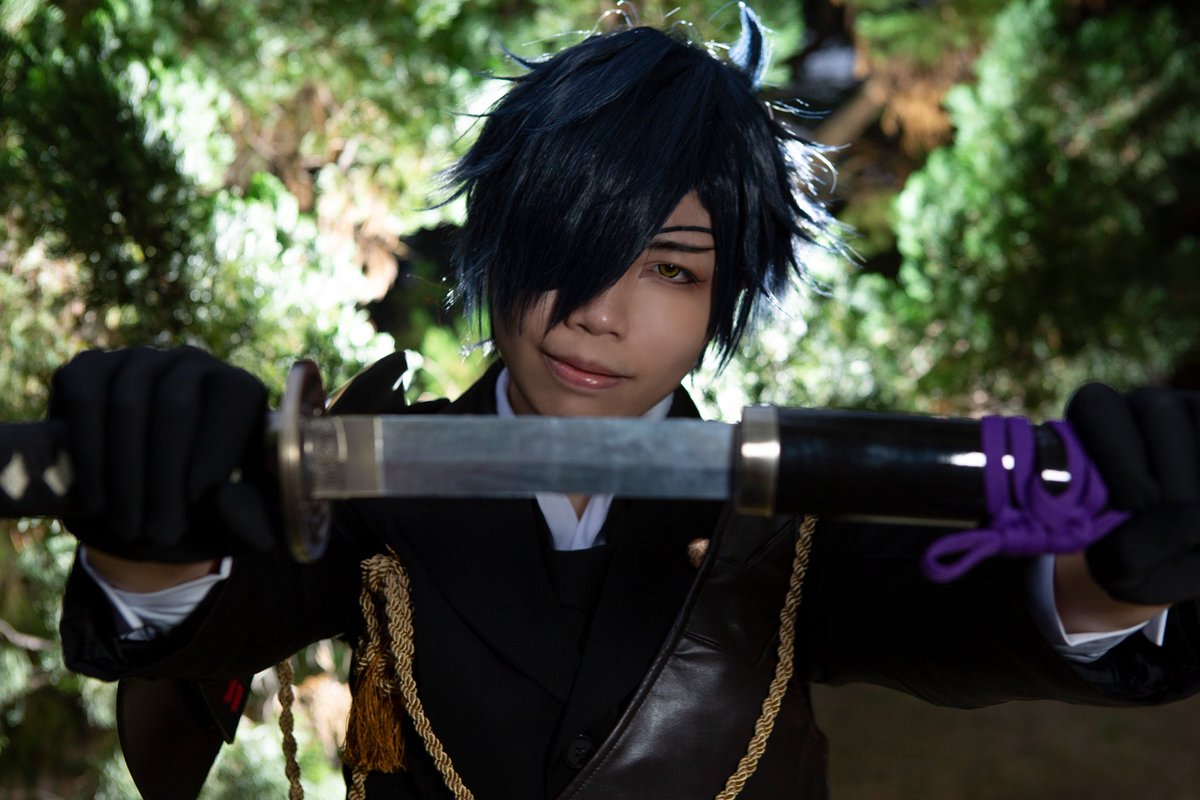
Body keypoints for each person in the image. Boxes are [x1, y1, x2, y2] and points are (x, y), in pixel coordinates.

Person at [49, 9, 1200, 800]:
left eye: (671, 268)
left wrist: (1112, 572)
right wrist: (150, 531)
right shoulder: (371, 470)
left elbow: (967, 617)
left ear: (725, 294)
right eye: (570, 248)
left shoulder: (788, 511)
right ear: (496, 246)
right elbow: (207, 617)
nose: (602, 313)